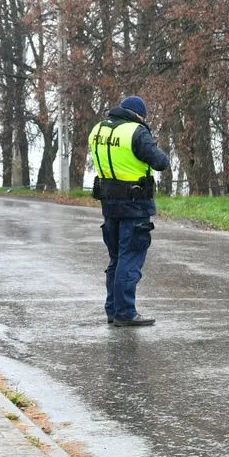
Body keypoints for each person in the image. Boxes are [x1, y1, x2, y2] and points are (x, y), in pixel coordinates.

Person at [89, 95, 172, 327]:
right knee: (130, 257)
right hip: (135, 205)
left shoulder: (98, 130)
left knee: (116, 257)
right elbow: (160, 162)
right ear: (139, 115)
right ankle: (125, 312)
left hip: (109, 203)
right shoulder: (136, 131)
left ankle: (113, 309)